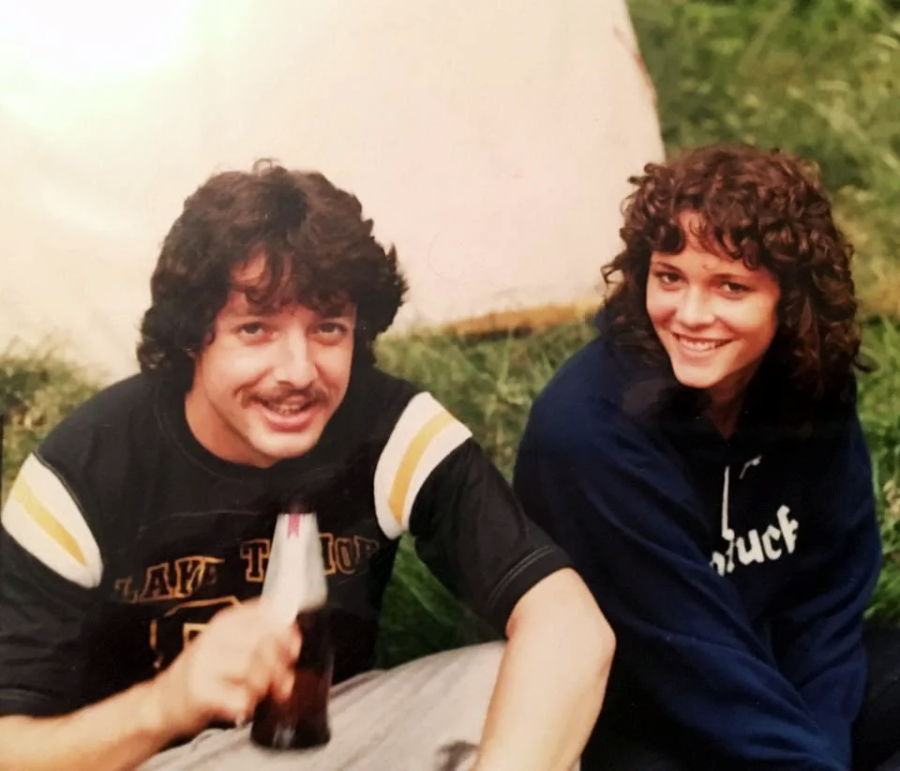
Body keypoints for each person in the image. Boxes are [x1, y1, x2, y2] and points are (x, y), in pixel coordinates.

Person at [0, 161, 614, 771]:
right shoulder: (84, 471)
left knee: (517, 682)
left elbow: (571, 623)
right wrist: (166, 704)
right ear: (191, 338)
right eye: (255, 329)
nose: (297, 372)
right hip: (148, 760)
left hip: (322, 745)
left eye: (327, 328)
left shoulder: (393, 432)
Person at [513, 145, 900, 771]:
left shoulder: (810, 383)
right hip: (647, 713)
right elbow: (689, 659)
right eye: (669, 277)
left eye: (731, 286)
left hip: (776, 677)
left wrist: (824, 750)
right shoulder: (588, 432)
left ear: (789, 300)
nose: (691, 316)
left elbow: (828, 600)